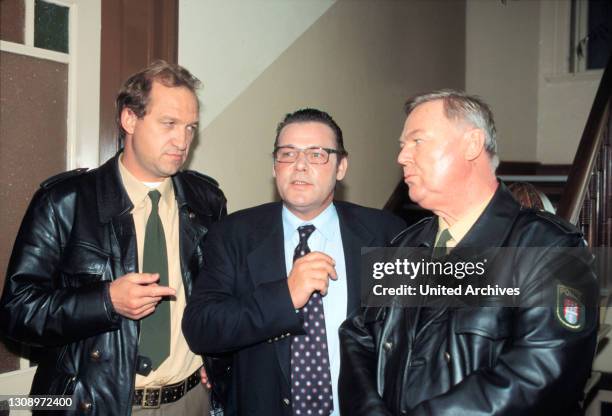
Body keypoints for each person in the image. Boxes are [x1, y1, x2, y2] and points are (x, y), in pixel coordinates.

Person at [338, 89, 599, 415]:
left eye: (417, 141)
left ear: (472, 144)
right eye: (402, 145)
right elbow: (358, 337)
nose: (402, 157)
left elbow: (543, 373)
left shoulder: (549, 248)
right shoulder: (402, 248)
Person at [0, 61, 226, 415]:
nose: (182, 141)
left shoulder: (207, 201)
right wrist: (106, 302)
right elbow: (18, 312)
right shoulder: (65, 202)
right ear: (130, 120)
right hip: (98, 403)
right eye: (169, 123)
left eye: (190, 127)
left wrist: (217, 356)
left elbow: (218, 294)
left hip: (191, 401)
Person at [182, 108, 405, 415]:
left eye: (317, 154)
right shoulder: (234, 235)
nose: (300, 165)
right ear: (275, 166)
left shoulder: (384, 234)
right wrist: (284, 296)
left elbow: (428, 327)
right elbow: (200, 327)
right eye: (287, 154)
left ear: (341, 166)